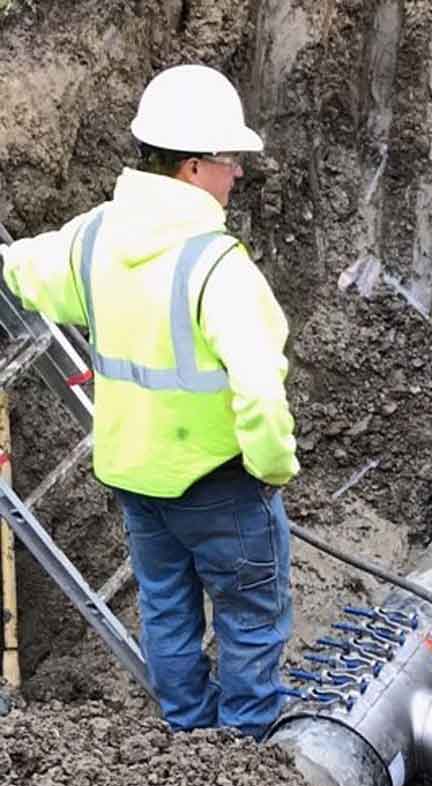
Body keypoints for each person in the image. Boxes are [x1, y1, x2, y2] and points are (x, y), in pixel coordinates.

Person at [1, 65, 299, 739]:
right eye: (229, 160)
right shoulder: (218, 267)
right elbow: (258, 388)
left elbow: (24, 271)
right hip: (221, 483)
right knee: (251, 617)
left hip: (137, 481)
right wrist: (273, 465)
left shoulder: (96, 235)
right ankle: (247, 764)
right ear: (193, 167)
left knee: (167, 614)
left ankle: (190, 742)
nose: (238, 174)